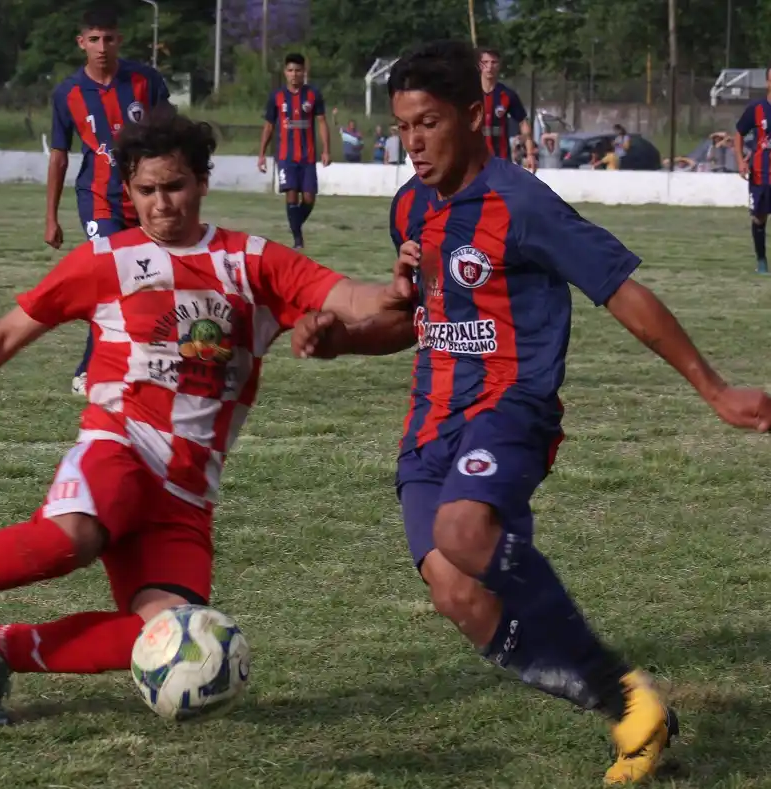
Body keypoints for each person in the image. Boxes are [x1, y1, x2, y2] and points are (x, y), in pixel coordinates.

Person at [0, 108, 409, 726]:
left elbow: (352, 298)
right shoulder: (105, 259)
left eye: (174, 187)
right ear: (129, 192)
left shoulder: (253, 262)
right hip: (120, 445)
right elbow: (9, 333)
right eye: (146, 190)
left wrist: (396, 291)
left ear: (201, 183)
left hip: (188, 493)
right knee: (69, 538)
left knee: (172, 639)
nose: (161, 203)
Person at [291, 40, 771, 785]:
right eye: (403, 127)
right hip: (428, 430)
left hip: (512, 408)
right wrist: (343, 343)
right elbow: (416, 323)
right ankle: (629, 708)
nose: (413, 143)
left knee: (463, 527)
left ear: (475, 116)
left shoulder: (520, 204)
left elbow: (623, 291)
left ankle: (617, 688)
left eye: (430, 123)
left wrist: (713, 388)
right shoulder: (410, 207)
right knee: (459, 596)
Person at [45, 7, 171, 396]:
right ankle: (88, 367)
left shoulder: (145, 82)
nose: (102, 47)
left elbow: (170, 138)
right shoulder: (67, 93)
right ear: (81, 43)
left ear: (120, 40)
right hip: (99, 200)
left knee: (150, 280)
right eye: (94, 40)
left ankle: (150, 360)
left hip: (148, 199)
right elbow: (60, 156)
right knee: (113, 279)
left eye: (109, 38)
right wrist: (50, 216)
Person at [258, 53, 331, 250]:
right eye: (290, 70)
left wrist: (326, 150)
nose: (294, 74)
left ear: (304, 73)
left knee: (308, 198)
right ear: (285, 73)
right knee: (291, 194)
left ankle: (295, 225)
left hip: (307, 157)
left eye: (298, 70)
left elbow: (322, 122)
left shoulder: (313, 94)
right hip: (286, 157)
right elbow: (269, 126)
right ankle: (298, 240)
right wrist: (262, 154)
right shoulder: (277, 96)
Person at [734, 68, 771, 274]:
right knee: (759, 217)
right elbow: (739, 133)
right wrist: (740, 161)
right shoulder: (756, 109)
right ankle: (762, 261)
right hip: (761, 173)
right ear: (768, 82)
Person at [477, 47, 535, 169]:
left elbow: (523, 122)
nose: (489, 67)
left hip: (500, 159)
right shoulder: (469, 93)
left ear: (499, 65)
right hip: (474, 160)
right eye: (485, 62)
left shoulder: (507, 95)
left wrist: (530, 154)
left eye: (494, 62)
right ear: (479, 65)